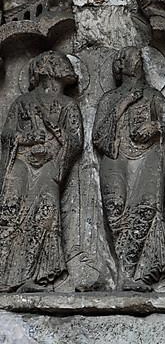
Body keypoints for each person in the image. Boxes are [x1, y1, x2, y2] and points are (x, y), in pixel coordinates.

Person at [93, 47, 165, 292]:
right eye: (130, 58)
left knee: (144, 210)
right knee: (115, 208)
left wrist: (156, 127)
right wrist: (124, 104)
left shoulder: (153, 96)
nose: (137, 62)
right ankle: (119, 270)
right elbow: (98, 136)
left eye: (139, 59)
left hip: (147, 158)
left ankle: (133, 273)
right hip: (115, 156)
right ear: (119, 66)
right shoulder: (108, 99)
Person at [0, 51, 83, 292]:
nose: (64, 66)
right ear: (45, 69)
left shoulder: (69, 105)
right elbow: (6, 136)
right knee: (10, 208)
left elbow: (76, 140)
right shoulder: (23, 102)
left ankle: (38, 275)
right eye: (57, 62)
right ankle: (6, 273)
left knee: (45, 212)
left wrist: (52, 147)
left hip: (50, 163)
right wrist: (26, 138)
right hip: (22, 162)